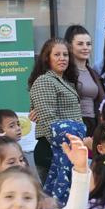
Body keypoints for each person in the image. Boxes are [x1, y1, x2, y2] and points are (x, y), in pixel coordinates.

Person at [28, 38, 82, 178]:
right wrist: (64, 148)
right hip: (53, 150)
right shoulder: (44, 80)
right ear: (47, 59)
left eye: (65, 54)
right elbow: (48, 120)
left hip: (66, 148)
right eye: (57, 54)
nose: (62, 58)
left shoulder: (65, 81)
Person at [64, 26, 105, 132]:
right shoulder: (64, 72)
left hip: (94, 123)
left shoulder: (93, 73)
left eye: (88, 44)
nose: (85, 47)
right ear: (69, 46)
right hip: (74, 124)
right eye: (80, 44)